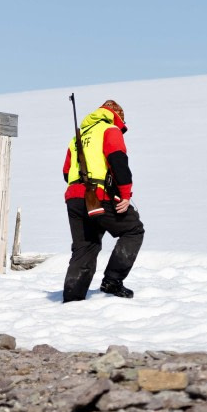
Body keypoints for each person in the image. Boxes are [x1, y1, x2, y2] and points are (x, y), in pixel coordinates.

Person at [62, 99, 145, 302]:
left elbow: (66, 172)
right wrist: (125, 194)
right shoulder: (110, 130)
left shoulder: (78, 137)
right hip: (98, 196)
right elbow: (118, 161)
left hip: (74, 198)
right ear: (117, 117)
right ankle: (112, 281)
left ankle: (72, 300)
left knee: (85, 247)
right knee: (133, 230)